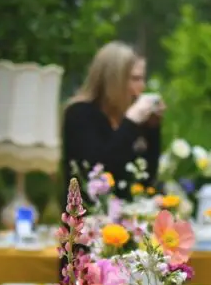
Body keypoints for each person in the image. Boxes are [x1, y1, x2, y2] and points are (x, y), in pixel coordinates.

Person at [62, 41, 163, 202]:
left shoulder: (133, 118)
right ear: (113, 81)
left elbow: (147, 180)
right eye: (135, 79)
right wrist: (130, 122)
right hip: (88, 218)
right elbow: (98, 173)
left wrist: (152, 129)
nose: (142, 86)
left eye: (143, 78)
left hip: (131, 215)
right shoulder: (79, 114)